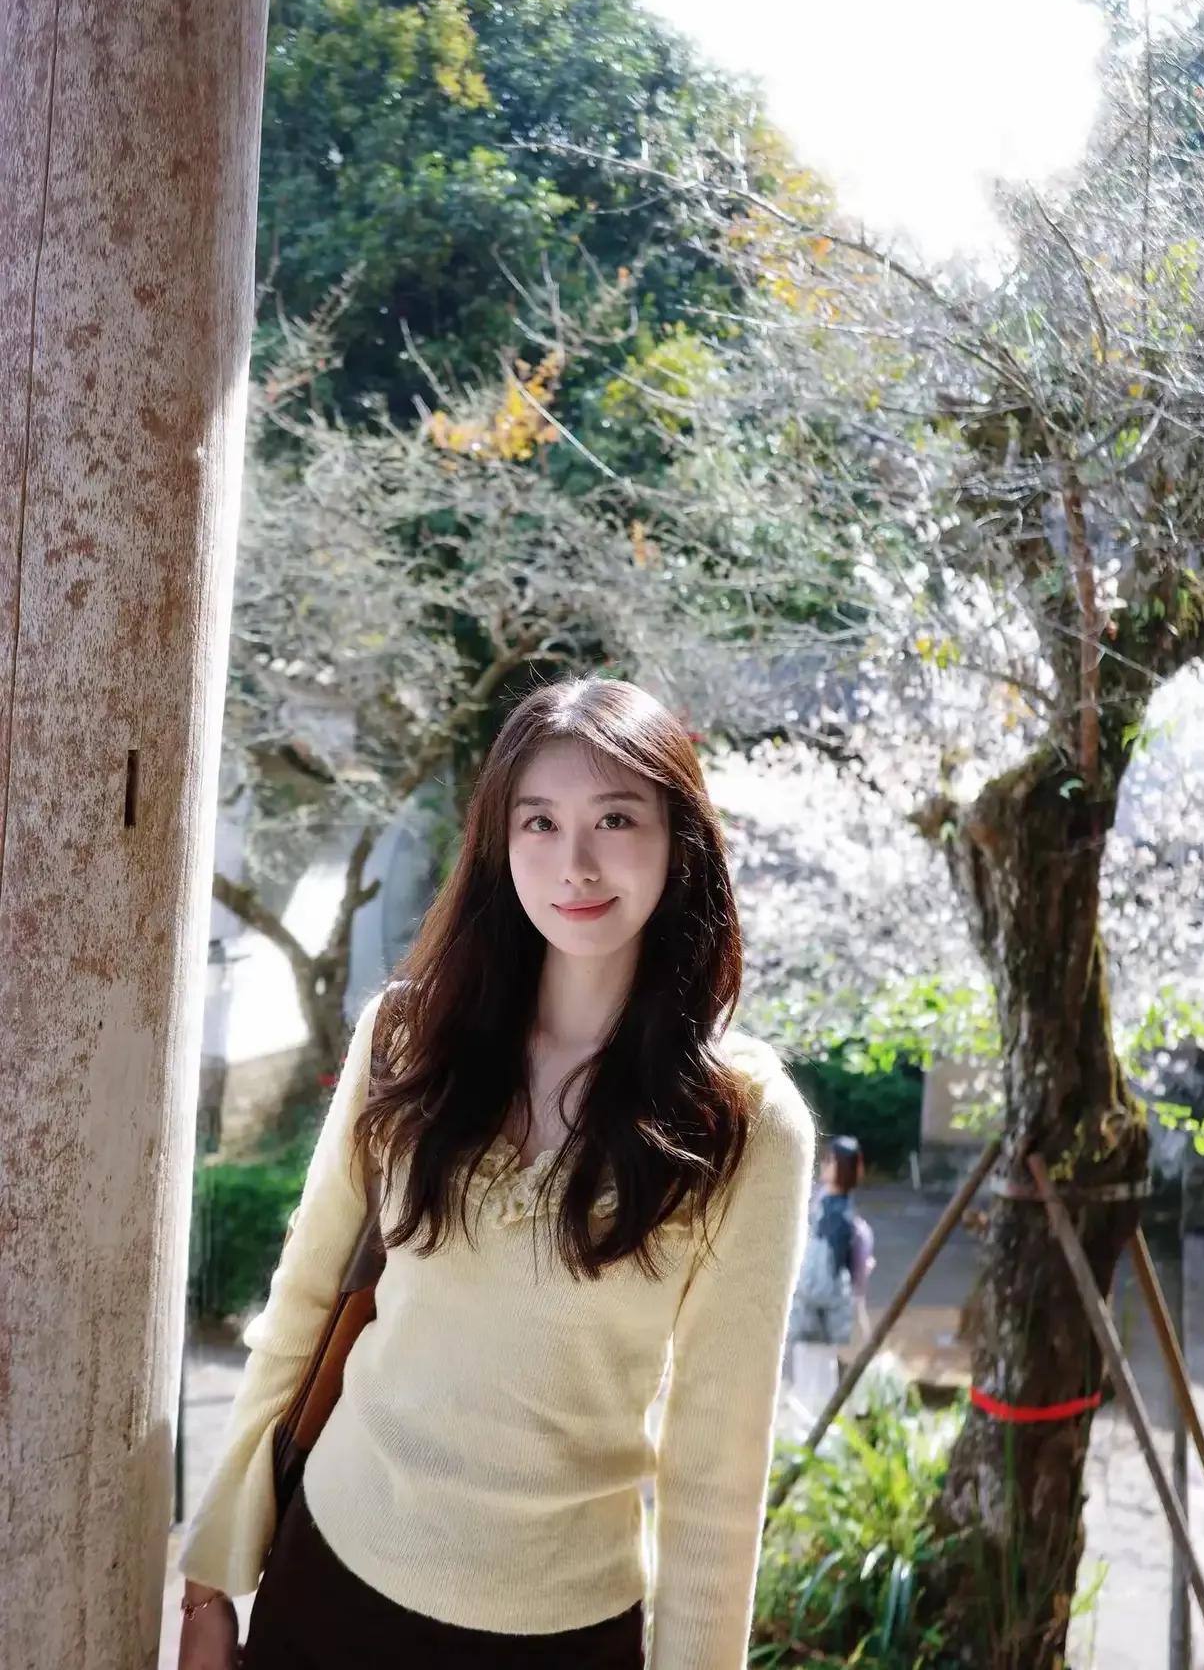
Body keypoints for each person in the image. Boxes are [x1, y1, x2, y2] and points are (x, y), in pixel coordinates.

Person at [178, 677, 815, 1670]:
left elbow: (717, 1467)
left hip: (561, 1633)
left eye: (615, 819)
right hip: (330, 1580)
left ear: (678, 840)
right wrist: (209, 1579)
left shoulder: (743, 1122)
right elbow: (302, 1300)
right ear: (499, 843)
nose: (575, 863)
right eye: (540, 822)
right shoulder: (409, 1037)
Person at [784, 1135, 875, 1378]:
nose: (824, 1164)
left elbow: (827, 1272)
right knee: (815, 1369)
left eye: (831, 1160)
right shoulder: (827, 1204)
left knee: (815, 1374)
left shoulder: (838, 1216)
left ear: (843, 1167)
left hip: (819, 1306)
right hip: (816, 1304)